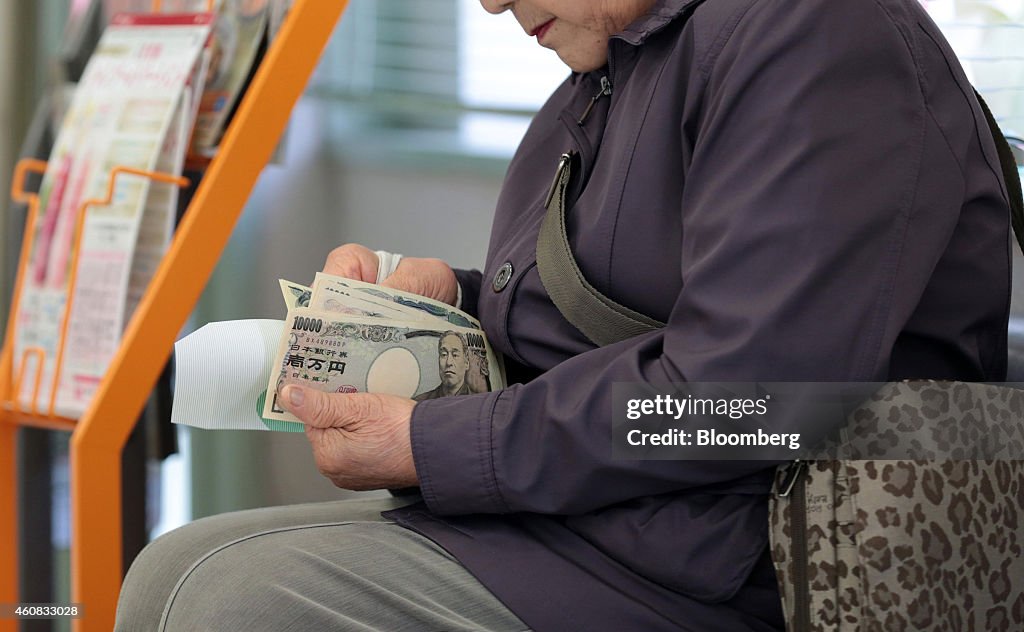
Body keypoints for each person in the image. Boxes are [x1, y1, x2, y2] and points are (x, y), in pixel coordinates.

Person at [116, 0, 1014, 630]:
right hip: (615, 524)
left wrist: (435, 445)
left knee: (232, 601)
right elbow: (634, 313)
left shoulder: (816, 36)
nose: (492, 4)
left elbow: (747, 400)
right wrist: (457, 299)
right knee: (167, 571)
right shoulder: (625, 55)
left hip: (755, 568)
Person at [413, 331, 473, 401]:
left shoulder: (480, 403)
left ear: (466, 363)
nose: (449, 362)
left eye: (455, 355)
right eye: (444, 354)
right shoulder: (419, 402)